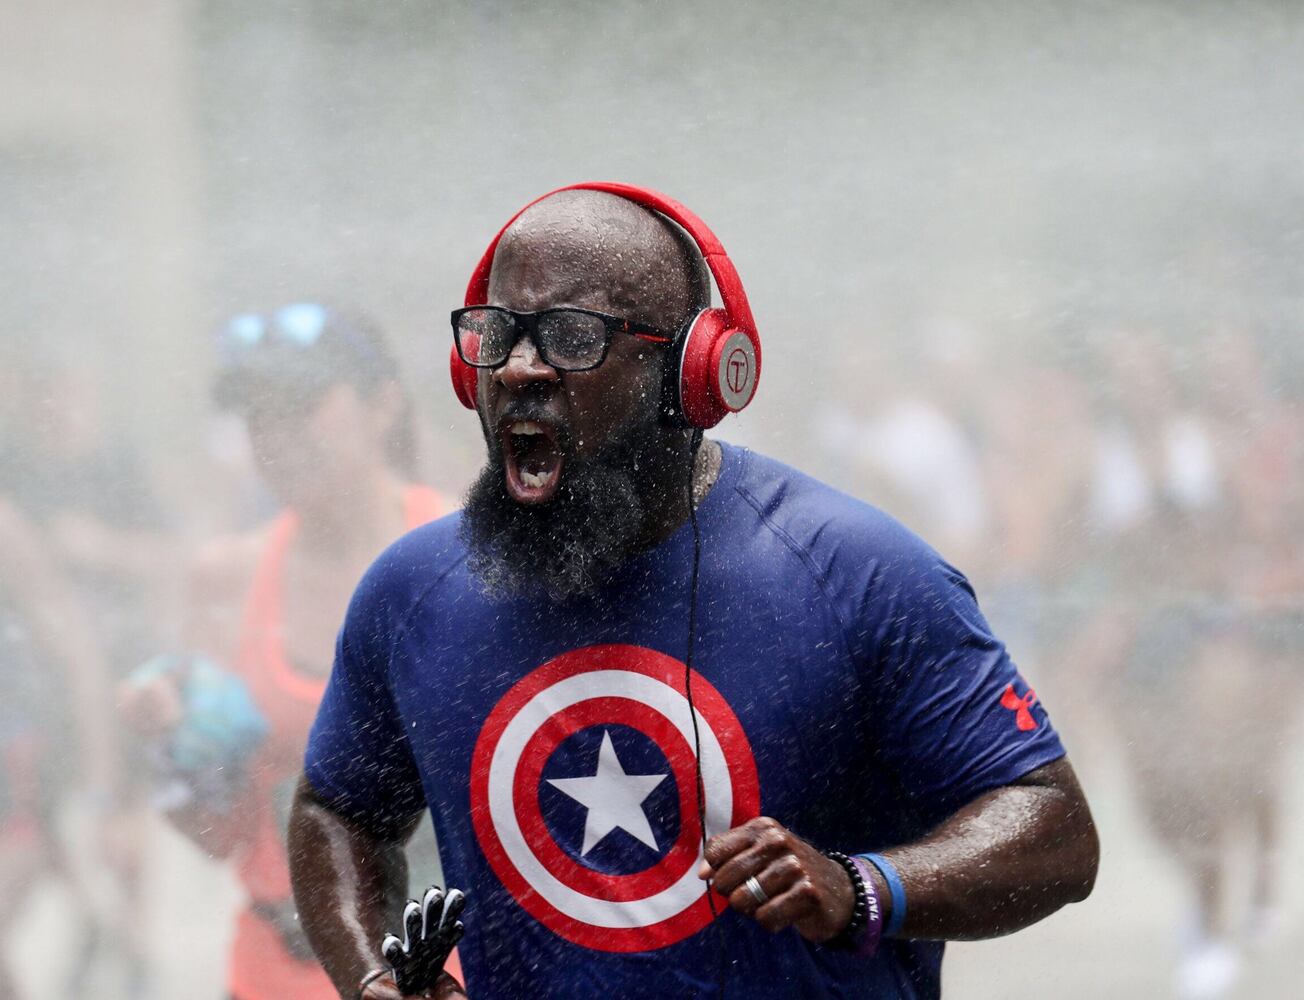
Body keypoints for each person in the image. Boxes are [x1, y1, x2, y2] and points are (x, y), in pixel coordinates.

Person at [288, 186, 1099, 999]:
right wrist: (372, 976)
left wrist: (862, 888)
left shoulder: (864, 576)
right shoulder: (410, 594)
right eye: (498, 333)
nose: (519, 367)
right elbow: (338, 810)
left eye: (572, 336)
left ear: (692, 372)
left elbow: (1055, 830)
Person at [120, 303, 451, 1000]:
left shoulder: (471, 555)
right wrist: (167, 748)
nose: (276, 436)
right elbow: (217, 832)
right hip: (278, 971)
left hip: (448, 969)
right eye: (258, 414)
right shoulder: (227, 579)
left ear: (383, 404)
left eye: (302, 406)